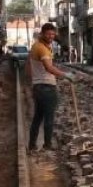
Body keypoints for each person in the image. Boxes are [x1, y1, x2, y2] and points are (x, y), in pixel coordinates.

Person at [29, 23, 73, 152]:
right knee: (49, 118)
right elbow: (49, 67)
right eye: (48, 34)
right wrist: (65, 75)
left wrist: (33, 82)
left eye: (53, 34)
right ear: (42, 33)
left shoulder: (36, 46)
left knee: (37, 117)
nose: (51, 36)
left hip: (38, 86)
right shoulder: (42, 48)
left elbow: (28, 66)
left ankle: (32, 145)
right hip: (46, 87)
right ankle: (47, 145)